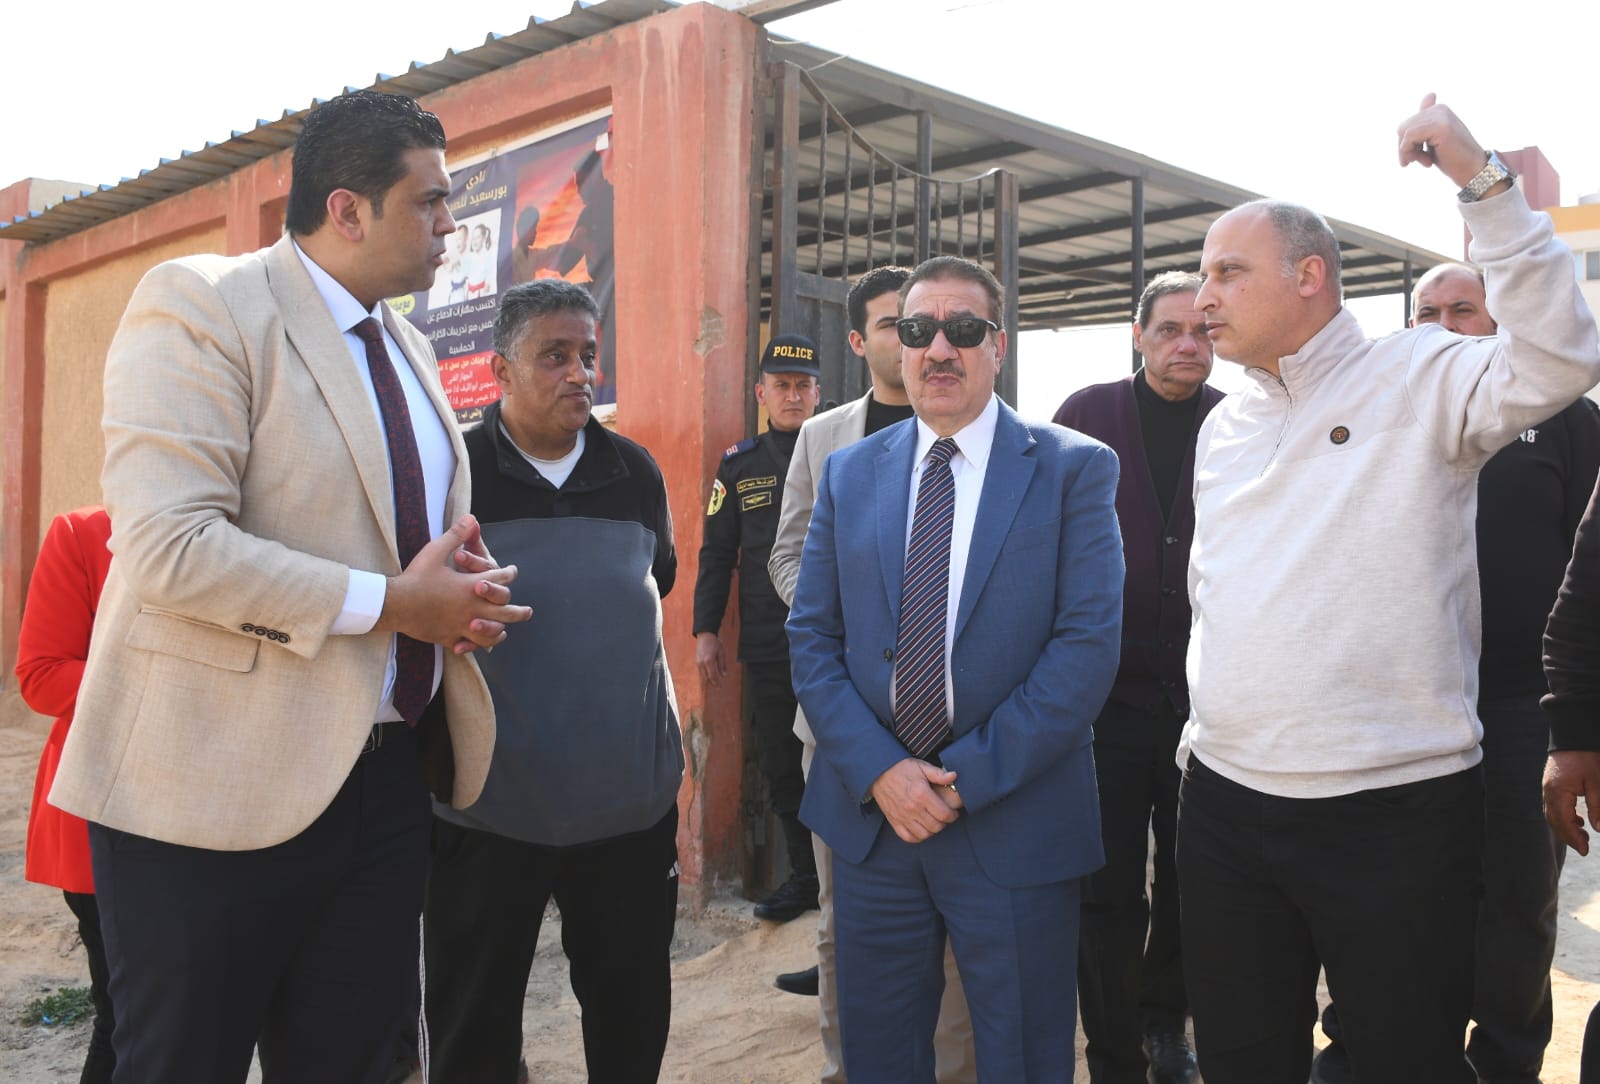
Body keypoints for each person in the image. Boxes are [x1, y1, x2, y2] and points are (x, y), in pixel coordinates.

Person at [48, 89, 531, 1084]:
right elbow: (171, 546)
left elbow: (395, 542)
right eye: (430, 200)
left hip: (384, 784)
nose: (452, 224)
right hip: (208, 790)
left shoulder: (409, 347)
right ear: (347, 209)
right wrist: (395, 605)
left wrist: (455, 602)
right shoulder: (204, 303)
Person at [1178, 96, 1600, 1084]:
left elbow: (1559, 355)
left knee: (1396, 1063)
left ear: (1310, 277)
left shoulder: (1417, 375)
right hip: (1225, 805)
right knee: (1240, 1061)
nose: (1203, 299)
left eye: (1227, 272)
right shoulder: (1224, 423)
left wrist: (1481, 182)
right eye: (1202, 276)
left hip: (1394, 812)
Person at [786, 255, 1124, 1080]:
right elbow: (813, 637)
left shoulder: (1074, 467)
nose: (940, 349)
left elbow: (1085, 650)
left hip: (1015, 818)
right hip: (875, 826)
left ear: (997, 345)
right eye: (919, 330)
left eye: (963, 329)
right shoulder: (848, 470)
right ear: (897, 347)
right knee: (879, 1058)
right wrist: (882, 773)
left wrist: (960, 779)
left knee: (1021, 1057)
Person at [1312, 264, 1600, 1084]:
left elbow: (1593, 573)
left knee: (1517, 902)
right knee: (1384, 900)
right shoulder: (1374, 412)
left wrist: (1578, 717)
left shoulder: (1564, 415)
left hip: (1521, 706)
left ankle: (1505, 1064)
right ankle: (1371, 1057)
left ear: (1500, 320)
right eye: (1426, 311)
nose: (1441, 324)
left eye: (1462, 310)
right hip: (1397, 699)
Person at [423, 280, 681, 1082]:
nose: (580, 373)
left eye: (588, 355)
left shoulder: (635, 472)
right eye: (555, 356)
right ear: (500, 369)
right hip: (485, 811)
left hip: (627, 815)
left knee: (630, 1021)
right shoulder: (451, 476)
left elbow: (657, 583)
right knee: (472, 1031)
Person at [768, 266, 977, 1083]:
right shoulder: (824, 438)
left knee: (954, 927)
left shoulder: (979, 431)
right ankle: (845, 1069)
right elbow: (787, 553)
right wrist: (843, 614)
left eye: (924, 324)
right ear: (861, 340)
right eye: (897, 326)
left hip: (951, 724)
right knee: (840, 923)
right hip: (840, 722)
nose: (918, 341)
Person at [1053, 270, 1220, 1084]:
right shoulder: (1085, 416)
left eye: (1202, 330)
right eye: (1170, 330)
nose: (1188, 344)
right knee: (1107, 885)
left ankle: (1164, 1027)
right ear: (1138, 335)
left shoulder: (1239, 420)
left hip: (1207, 701)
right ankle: (1112, 1050)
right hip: (1105, 701)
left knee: (1192, 878)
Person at [694, 333, 822, 922]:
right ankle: (805, 879)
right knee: (782, 762)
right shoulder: (739, 464)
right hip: (771, 642)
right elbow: (717, 552)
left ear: (818, 393)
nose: (792, 396)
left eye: (803, 386)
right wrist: (706, 630)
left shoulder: (845, 449)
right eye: (781, 386)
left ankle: (850, 881)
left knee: (846, 759)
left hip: (841, 640)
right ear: (761, 393)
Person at [18, 506, 116, 1084]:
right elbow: (41, 676)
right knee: (125, 1017)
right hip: (103, 816)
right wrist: (165, 675)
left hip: (238, 820)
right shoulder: (83, 533)